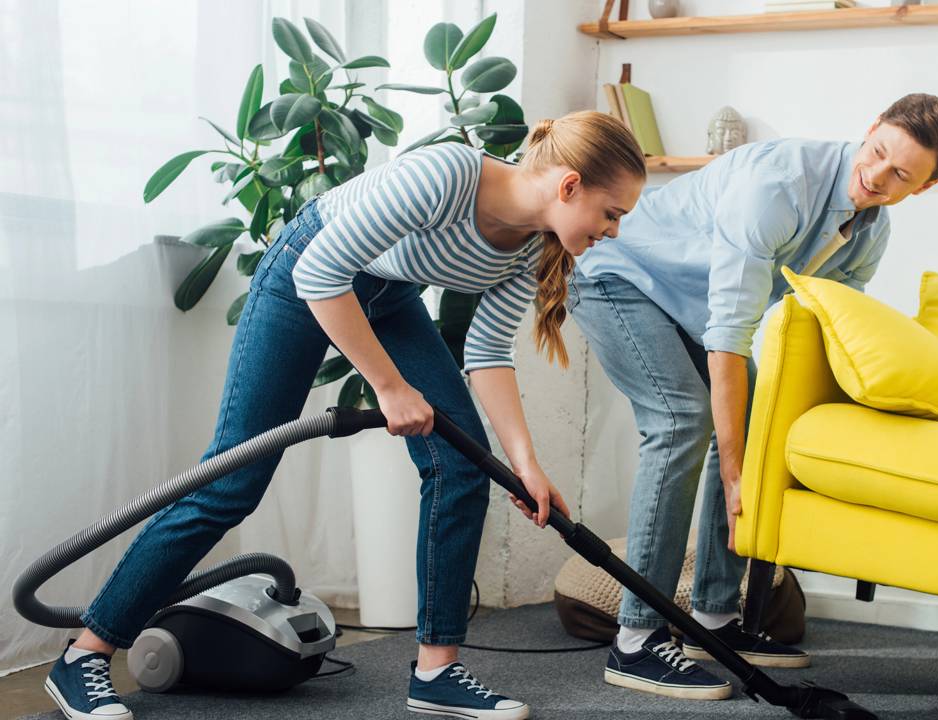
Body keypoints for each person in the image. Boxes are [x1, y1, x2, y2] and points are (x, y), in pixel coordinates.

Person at [44, 110, 646, 720]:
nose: (614, 230)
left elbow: (487, 352)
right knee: (231, 482)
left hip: (386, 294)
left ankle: (436, 672)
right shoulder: (446, 175)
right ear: (569, 185)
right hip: (304, 274)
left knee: (462, 468)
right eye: (611, 213)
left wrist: (524, 465)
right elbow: (321, 272)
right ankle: (84, 656)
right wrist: (387, 386)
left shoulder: (528, 248)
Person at [569, 93, 938, 700]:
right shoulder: (778, 187)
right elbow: (731, 333)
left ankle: (713, 618)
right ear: (870, 128)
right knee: (681, 423)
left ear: (926, 188)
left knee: (755, 429)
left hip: (695, 312)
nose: (877, 176)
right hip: (621, 278)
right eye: (878, 152)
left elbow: (811, 333)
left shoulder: (869, 236)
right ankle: (636, 640)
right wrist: (734, 471)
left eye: (901, 175)